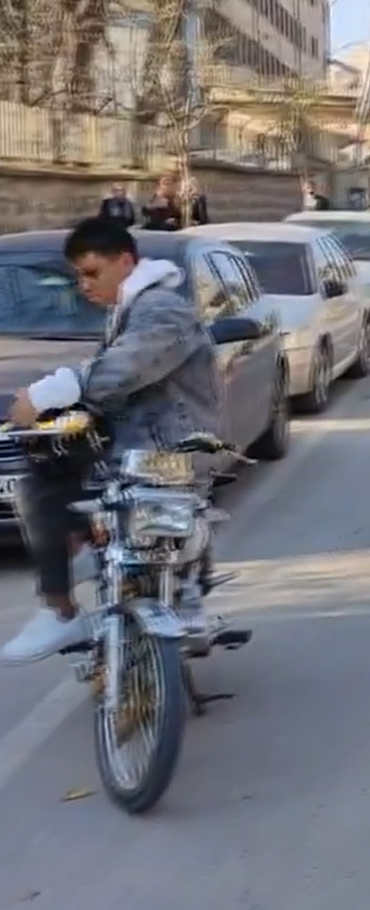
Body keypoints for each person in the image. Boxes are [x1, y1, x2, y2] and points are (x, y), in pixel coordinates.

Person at [1, 218, 224, 664]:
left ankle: (70, 605)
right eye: (78, 276)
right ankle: (73, 577)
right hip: (141, 447)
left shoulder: (159, 308)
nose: (84, 285)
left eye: (91, 272)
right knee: (43, 473)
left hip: (167, 452)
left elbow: (125, 368)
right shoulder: (130, 309)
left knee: (52, 491)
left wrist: (46, 394)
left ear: (126, 261)